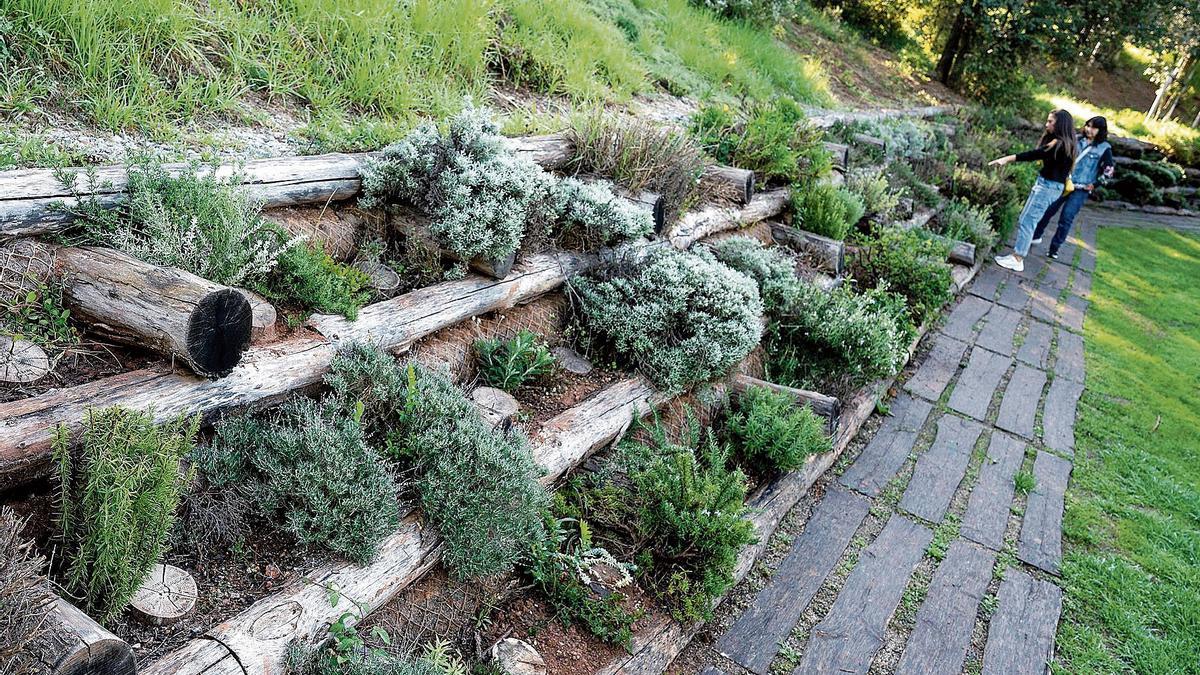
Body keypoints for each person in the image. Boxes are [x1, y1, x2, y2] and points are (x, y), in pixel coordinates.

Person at [988, 109, 1078, 272]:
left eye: (1051, 122)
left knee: (1028, 221)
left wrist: (1006, 159)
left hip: (1048, 188)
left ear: (1060, 124)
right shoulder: (1066, 143)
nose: (1047, 124)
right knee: (1025, 219)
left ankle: (1018, 258)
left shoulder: (1058, 144)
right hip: (1047, 186)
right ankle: (1017, 255)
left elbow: (1033, 155)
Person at [1030, 116, 1114, 259]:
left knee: (1066, 217)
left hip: (1081, 189)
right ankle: (1036, 236)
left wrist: (1095, 184)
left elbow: (1109, 170)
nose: (1089, 130)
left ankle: (1054, 249)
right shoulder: (1075, 139)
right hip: (1063, 182)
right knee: (1049, 210)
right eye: (1088, 125)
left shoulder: (1104, 148)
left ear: (1101, 130)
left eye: (1093, 127)